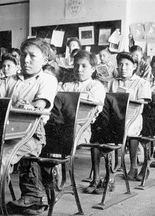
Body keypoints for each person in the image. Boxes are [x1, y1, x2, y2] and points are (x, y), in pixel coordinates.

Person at [0, 37, 58, 215]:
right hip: (4, 130)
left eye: (32, 56)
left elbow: (39, 105)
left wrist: (26, 105)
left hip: (31, 133)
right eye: (23, 55)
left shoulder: (47, 79)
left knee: (0, 159)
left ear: (45, 60)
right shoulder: (10, 79)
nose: (26, 59)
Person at [87, 52, 151, 195]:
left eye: (127, 64)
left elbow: (142, 104)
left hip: (132, 118)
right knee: (98, 133)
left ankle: (117, 173)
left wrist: (126, 97)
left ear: (134, 66)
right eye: (120, 64)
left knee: (116, 130)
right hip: (113, 119)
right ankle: (98, 177)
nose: (123, 68)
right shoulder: (112, 82)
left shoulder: (141, 82)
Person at [59, 50, 106, 145]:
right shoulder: (67, 86)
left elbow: (92, 109)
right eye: (76, 65)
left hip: (81, 126)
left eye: (84, 66)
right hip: (62, 123)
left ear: (93, 69)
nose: (79, 69)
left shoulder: (96, 86)